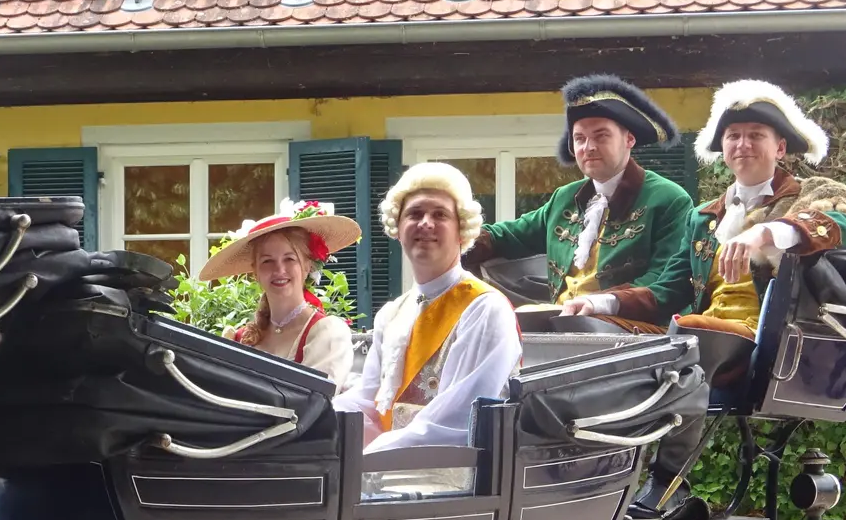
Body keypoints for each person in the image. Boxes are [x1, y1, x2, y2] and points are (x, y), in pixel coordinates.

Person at [630, 79, 846, 519]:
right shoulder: (703, 218)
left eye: (756, 135)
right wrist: (604, 307)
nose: (742, 144)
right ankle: (611, 476)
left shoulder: (811, 194)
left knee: (690, 336)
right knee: (617, 344)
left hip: (774, 344)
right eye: (733, 136)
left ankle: (666, 484)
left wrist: (769, 231)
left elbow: (840, 223)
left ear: (780, 147)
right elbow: (670, 291)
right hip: (704, 339)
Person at [462, 74, 694, 333]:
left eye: (601, 136)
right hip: (564, 328)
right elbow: (506, 236)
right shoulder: (564, 199)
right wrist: (451, 238)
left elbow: (665, 282)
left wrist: (602, 304)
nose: (588, 147)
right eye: (580, 138)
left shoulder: (669, 199)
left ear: (629, 139)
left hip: (636, 337)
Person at [334, 163, 521, 452]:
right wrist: (318, 423)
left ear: (462, 230)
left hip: (451, 485)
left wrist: (369, 459)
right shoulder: (392, 314)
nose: (425, 223)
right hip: (380, 478)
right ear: (397, 228)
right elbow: (369, 402)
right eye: (414, 214)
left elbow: (456, 421)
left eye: (440, 214)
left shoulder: (484, 309)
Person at [198, 199, 359, 383]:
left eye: (289, 259)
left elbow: (312, 404)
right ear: (255, 272)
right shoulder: (238, 338)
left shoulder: (326, 333)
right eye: (267, 261)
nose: (279, 270)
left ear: (307, 266)